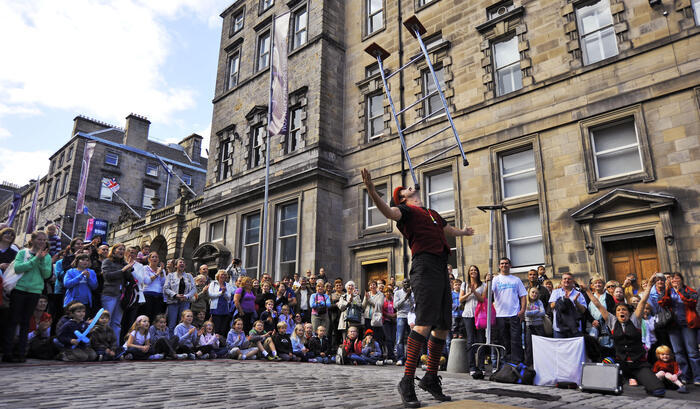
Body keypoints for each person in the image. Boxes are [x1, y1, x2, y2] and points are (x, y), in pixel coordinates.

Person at [363, 168, 475, 406]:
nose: (410, 186)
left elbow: (447, 229)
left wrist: (463, 232)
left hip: (441, 266)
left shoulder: (431, 212)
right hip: (423, 266)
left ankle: (431, 377)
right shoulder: (405, 211)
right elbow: (387, 211)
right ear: (402, 197)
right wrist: (373, 191)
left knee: (443, 326)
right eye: (404, 188)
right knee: (423, 323)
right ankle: (407, 380)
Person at [585, 279, 666, 397]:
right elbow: (597, 304)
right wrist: (587, 290)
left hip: (638, 364)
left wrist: (649, 286)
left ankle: (643, 379)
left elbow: (643, 301)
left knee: (658, 391)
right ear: (616, 314)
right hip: (621, 363)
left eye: (624, 310)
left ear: (629, 312)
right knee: (606, 379)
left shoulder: (635, 320)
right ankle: (621, 380)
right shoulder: (612, 321)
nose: (621, 312)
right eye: (618, 310)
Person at [2, 230, 52, 363]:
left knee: (25, 322)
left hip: (35, 291)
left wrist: (41, 260)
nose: (42, 242)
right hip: (19, 289)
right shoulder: (23, 252)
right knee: (13, 321)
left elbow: (46, 274)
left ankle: (21, 352)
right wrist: (35, 258)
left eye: (44, 240)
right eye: (39, 239)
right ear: (33, 240)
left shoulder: (46, 256)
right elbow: (18, 268)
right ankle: (7, 352)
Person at [659, 272, 700, 385]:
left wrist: (679, 291)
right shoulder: (668, 291)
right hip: (673, 325)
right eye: (672, 280)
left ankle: (698, 377)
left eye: (677, 279)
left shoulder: (689, 291)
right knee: (678, 352)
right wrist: (667, 290)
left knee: (693, 352)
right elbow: (662, 303)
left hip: (688, 324)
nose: (674, 281)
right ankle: (685, 376)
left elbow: (692, 302)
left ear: (682, 280)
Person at [490, 257, 527, 365]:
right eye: (502, 263)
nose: (504, 265)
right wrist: (488, 282)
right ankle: (504, 363)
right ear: (499, 266)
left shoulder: (516, 280)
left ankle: (517, 363)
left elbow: (523, 296)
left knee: (516, 340)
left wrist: (522, 310)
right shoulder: (496, 280)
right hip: (500, 315)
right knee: (503, 340)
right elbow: (489, 294)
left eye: (506, 263)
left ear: (510, 266)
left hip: (514, 314)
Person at [101, 243, 134, 340]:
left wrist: (129, 268)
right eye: (120, 249)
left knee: (117, 322)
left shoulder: (124, 263)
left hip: (121, 296)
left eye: (123, 249)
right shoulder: (107, 261)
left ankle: (114, 346)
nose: (122, 251)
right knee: (107, 320)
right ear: (114, 250)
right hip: (109, 294)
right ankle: (104, 344)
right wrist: (123, 270)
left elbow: (130, 279)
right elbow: (107, 276)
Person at [459, 265, 486, 376]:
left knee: (481, 339)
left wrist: (474, 291)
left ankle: (481, 366)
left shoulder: (483, 285)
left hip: (479, 315)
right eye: (471, 270)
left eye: (475, 270)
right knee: (470, 340)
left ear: (478, 272)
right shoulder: (464, 284)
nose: (473, 272)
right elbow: (460, 299)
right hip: (468, 315)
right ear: (468, 273)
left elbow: (482, 299)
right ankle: (472, 367)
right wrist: (469, 292)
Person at [549, 272, 587, 338]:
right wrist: (563, 300)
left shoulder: (578, 294)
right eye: (565, 279)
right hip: (559, 329)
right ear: (561, 281)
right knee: (560, 348)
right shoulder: (555, 292)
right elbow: (551, 306)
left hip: (575, 329)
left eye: (569, 279)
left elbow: (583, 310)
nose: (567, 280)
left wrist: (576, 302)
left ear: (573, 281)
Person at [163, 258, 196, 332]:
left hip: (185, 302)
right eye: (180, 262)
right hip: (173, 302)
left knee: (184, 323)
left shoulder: (189, 276)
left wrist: (186, 296)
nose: (182, 264)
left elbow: (194, 289)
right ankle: (171, 341)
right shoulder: (170, 276)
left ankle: (181, 341)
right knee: (172, 323)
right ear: (175, 266)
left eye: (184, 263)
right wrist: (175, 295)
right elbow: (166, 288)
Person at [394, 279, 415, 366]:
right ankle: (400, 358)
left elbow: (414, 305)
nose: (406, 284)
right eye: (404, 282)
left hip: (410, 317)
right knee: (399, 339)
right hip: (401, 316)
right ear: (402, 284)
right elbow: (396, 306)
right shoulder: (397, 293)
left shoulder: (413, 293)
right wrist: (405, 297)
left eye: (408, 282)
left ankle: (410, 359)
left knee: (411, 339)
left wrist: (410, 296)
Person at [141, 252, 167, 321]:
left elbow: (163, 283)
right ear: (149, 259)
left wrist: (161, 272)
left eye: (156, 257)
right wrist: (157, 273)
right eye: (153, 257)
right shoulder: (145, 268)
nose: (155, 258)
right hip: (148, 295)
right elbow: (147, 281)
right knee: (147, 315)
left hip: (159, 296)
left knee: (156, 318)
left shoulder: (162, 270)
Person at [524, 287, 545, 366]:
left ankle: (540, 363)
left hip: (539, 326)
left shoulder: (539, 302)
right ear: (529, 293)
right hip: (529, 326)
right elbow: (526, 314)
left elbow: (543, 313)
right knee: (529, 346)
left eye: (536, 293)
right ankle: (529, 364)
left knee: (540, 346)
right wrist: (537, 311)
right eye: (533, 292)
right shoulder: (526, 302)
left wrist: (531, 313)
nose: (534, 294)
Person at [209, 270, 234, 337]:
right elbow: (211, 295)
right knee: (216, 326)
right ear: (218, 276)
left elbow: (229, 297)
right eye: (221, 274)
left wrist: (224, 292)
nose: (223, 276)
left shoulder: (228, 285)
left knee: (223, 327)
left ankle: (221, 341)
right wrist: (221, 293)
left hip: (225, 308)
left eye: (224, 275)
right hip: (216, 308)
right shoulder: (213, 283)